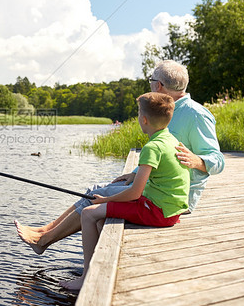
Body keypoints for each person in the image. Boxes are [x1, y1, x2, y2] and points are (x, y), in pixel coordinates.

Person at [15, 60, 224, 255]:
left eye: (151, 81)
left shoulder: (196, 114)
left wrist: (197, 161)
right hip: (153, 186)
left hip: (171, 198)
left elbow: (218, 161)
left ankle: (43, 241)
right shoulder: (165, 109)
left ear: (158, 85)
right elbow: (160, 156)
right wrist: (134, 174)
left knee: (100, 194)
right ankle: (45, 231)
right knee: (94, 190)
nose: (149, 85)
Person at [59, 92, 190, 290]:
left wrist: (105, 200)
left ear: (144, 119)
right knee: (101, 218)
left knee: (88, 214)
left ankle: (86, 277)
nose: (138, 117)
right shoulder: (172, 140)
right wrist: (109, 201)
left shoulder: (152, 147)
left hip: (157, 211)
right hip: (170, 211)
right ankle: (98, 266)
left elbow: (134, 193)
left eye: (138, 113)